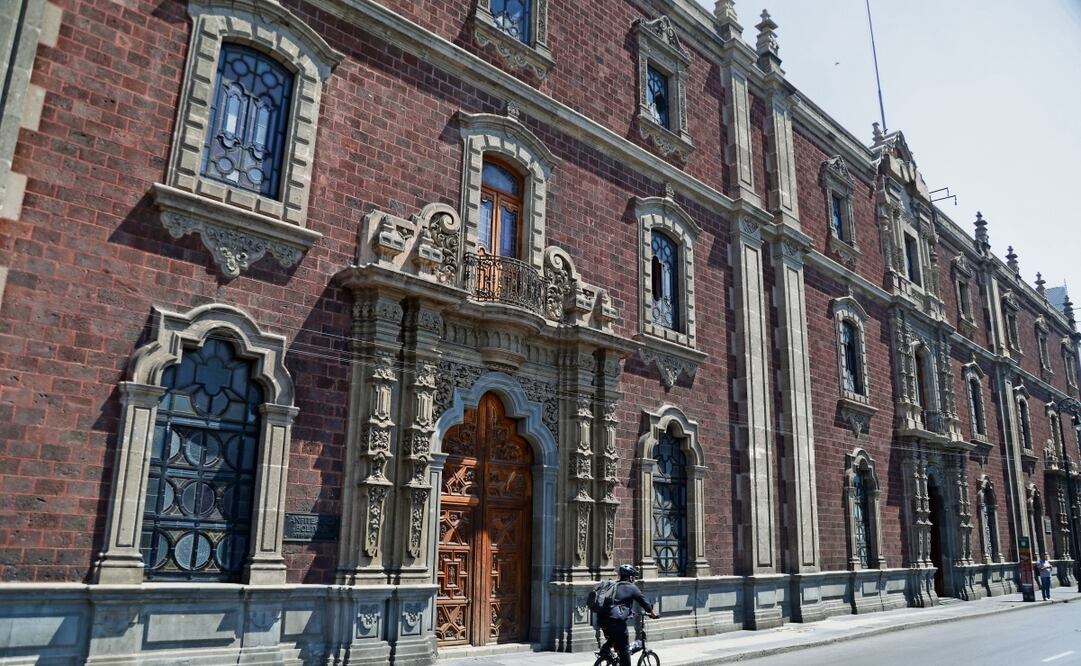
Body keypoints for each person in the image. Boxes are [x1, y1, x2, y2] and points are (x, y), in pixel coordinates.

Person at [598, 564, 657, 666]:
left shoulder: (614, 585)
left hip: (602, 620)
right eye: (633, 576)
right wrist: (653, 614)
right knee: (624, 648)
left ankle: (605, 649)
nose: (634, 579)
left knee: (614, 636)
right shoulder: (632, 587)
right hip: (616, 622)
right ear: (630, 577)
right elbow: (644, 602)